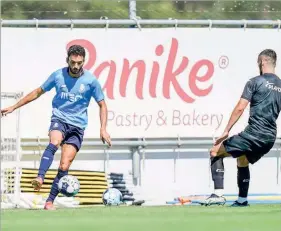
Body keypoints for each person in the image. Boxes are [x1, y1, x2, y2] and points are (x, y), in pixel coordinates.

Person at [1, 45, 111, 210]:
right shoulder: (58, 75)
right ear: (67, 59)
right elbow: (38, 92)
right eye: (73, 62)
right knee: (55, 140)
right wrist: (13, 107)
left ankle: (49, 201)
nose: (75, 66)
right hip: (59, 119)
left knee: (64, 166)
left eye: (79, 63)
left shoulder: (91, 81)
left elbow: (102, 105)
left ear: (84, 62)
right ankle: (40, 177)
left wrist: (103, 129)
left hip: (77, 127)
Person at [202, 49, 280, 207]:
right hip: (270, 138)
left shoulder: (255, 82)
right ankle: (242, 200)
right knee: (242, 159)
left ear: (262, 62)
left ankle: (218, 194)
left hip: (254, 134)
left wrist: (226, 131)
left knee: (215, 151)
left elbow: (240, 107)